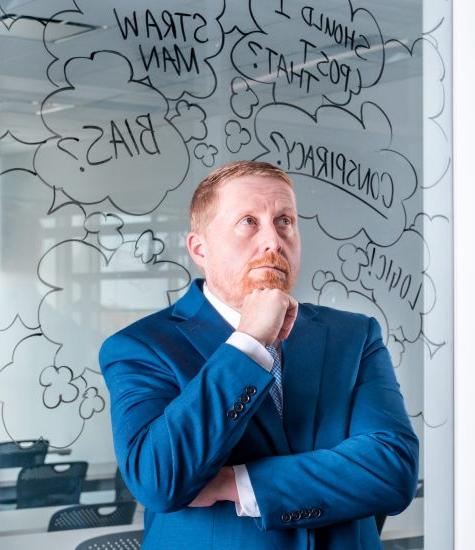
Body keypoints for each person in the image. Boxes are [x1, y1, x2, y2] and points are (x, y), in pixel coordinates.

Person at [99, 160, 419, 549]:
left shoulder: (353, 335)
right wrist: (249, 341)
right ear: (200, 248)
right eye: (249, 222)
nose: (273, 241)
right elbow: (160, 480)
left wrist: (235, 483)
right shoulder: (140, 347)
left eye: (284, 221)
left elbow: (392, 470)